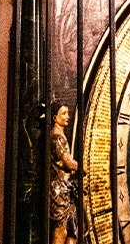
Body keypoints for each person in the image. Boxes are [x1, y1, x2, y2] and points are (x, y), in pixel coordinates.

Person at [48, 102, 78, 244]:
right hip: (58, 192)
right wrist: (83, 168)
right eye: (63, 114)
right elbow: (69, 163)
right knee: (61, 231)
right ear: (55, 118)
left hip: (65, 190)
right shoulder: (57, 138)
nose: (68, 117)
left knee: (73, 231)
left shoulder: (60, 135)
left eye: (67, 113)